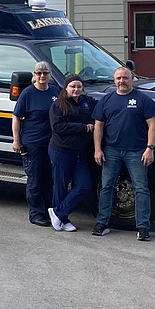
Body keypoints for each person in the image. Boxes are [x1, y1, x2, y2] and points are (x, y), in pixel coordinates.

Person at [92, 66, 155, 241]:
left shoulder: (143, 100)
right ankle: (102, 223)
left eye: (125, 78)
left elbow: (152, 126)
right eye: (118, 78)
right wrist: (97, 149)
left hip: (137, 152)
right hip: (111, 151)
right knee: (107, 186)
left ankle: (143, 227)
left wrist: (149, 148)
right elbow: (98, 126)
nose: (121, 81)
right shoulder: (106, 100)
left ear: (132, 79)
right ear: (114, 80)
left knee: (141, 188)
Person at [11, 61, 60, 226]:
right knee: (35, 179)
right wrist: (16, 140)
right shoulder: (27, 93)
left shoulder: (54, 91)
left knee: (49, 179)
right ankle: (36, 214)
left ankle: (49, 211)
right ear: (34, 75)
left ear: (50, 75)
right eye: (38, 73)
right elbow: (16, 117)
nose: (42, 76)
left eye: (45, 73)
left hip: (51, 143)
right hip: (33, 143)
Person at [47, 74, 97, 232]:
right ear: (66, 88)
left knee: (84, 185)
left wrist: (92, 122)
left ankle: (58, 213)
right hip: (61, 151)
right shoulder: (58, 105)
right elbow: (58, 127)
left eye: (79, 87)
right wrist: (84, 127)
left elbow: (100, 111)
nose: (76, 89)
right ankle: (63, 219)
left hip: (80, 152)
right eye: (73, 86)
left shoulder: (87, 102)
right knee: (60, 186)